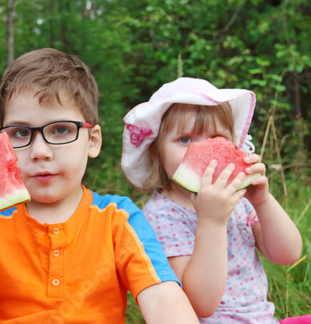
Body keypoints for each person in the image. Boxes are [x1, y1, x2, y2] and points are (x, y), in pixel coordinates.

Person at [0, 48, 199, 323]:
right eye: (20, 132)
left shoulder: (118, 219)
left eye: (61, 130)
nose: (40, 151)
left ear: (93, 141)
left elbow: (163, 298)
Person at [121, 77, 304, 323]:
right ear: (156, 152)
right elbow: (200, 304)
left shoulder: (238, 199)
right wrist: (212, 221)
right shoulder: (162, 215)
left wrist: (263, 201)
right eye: (185, 139)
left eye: (216, 138)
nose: (202, 150)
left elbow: (288, 254)